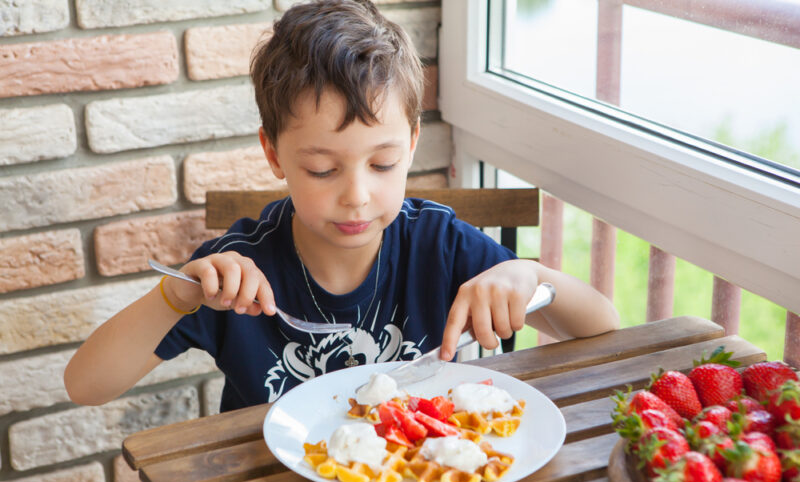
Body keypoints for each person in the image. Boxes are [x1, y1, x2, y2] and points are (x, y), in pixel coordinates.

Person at [64, 0, 618, 412]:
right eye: (322, 169)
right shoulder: (236, 273)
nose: (356, 194)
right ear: (273, 153)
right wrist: (178, 293)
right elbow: (85, 385)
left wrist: (530, 274)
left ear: (413, 144)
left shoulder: (439, 246)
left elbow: (603, 330)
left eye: (382, 164)